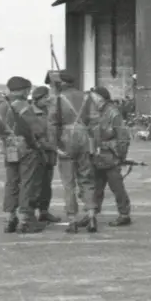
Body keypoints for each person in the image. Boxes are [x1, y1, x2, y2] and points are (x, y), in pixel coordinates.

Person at [47, 72, 100, 234]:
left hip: (66, 139)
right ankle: (91, 216)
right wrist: (95, 144)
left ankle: (72, 220)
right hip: (85, 139)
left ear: (61, 83)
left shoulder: (57, 99)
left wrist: (54, 145)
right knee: (87, 179)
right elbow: (95, 122)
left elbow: (52, 124)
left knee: (68, 183)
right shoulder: (87, 97)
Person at [0, 77, 45, 234]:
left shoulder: (0, 107)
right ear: (25, 90)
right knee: (27, 183)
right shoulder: (23, 106)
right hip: (27, 148)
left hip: (9, 147)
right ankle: (26, 220)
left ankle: (10, 218)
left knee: (11, 182)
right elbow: (37, 129)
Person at [91, 86, 133, 227]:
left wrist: (120, 156)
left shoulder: (113, 113)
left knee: (117, 187)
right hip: (98, 156)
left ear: (100, 98)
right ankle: (92, 214)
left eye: (93, 96)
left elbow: (123, 137)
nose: (91, 99)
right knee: (96, 187)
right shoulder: (96, 111)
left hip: (110, 156)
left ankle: (124, 214)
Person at [28, 86, 63, 225]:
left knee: (46, 185)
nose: (47, 100)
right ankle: (30, 214)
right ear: (37, 99)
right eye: (44, 98)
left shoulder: (51, 112)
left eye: (48, 97)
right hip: (37, 154)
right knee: (34, 185)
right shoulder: (30, 113)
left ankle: (44, 212)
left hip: (50, 154)